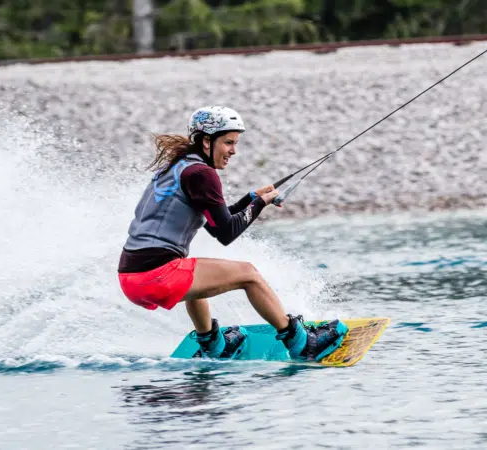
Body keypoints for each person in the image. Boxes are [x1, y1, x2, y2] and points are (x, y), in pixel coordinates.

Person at [118, 106, 345, 361]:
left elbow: (216, 221)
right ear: (206, 141)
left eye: (235, 143)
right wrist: (259, 204)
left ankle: (213, 345)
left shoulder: (179, 167)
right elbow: (226, 233)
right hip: (155, 276)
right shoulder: (202, 174)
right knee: (249, 275)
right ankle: (302, 343)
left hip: (132, 277)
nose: (233, 151)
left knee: (194, 270)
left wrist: (252, 199)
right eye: (228, 143)